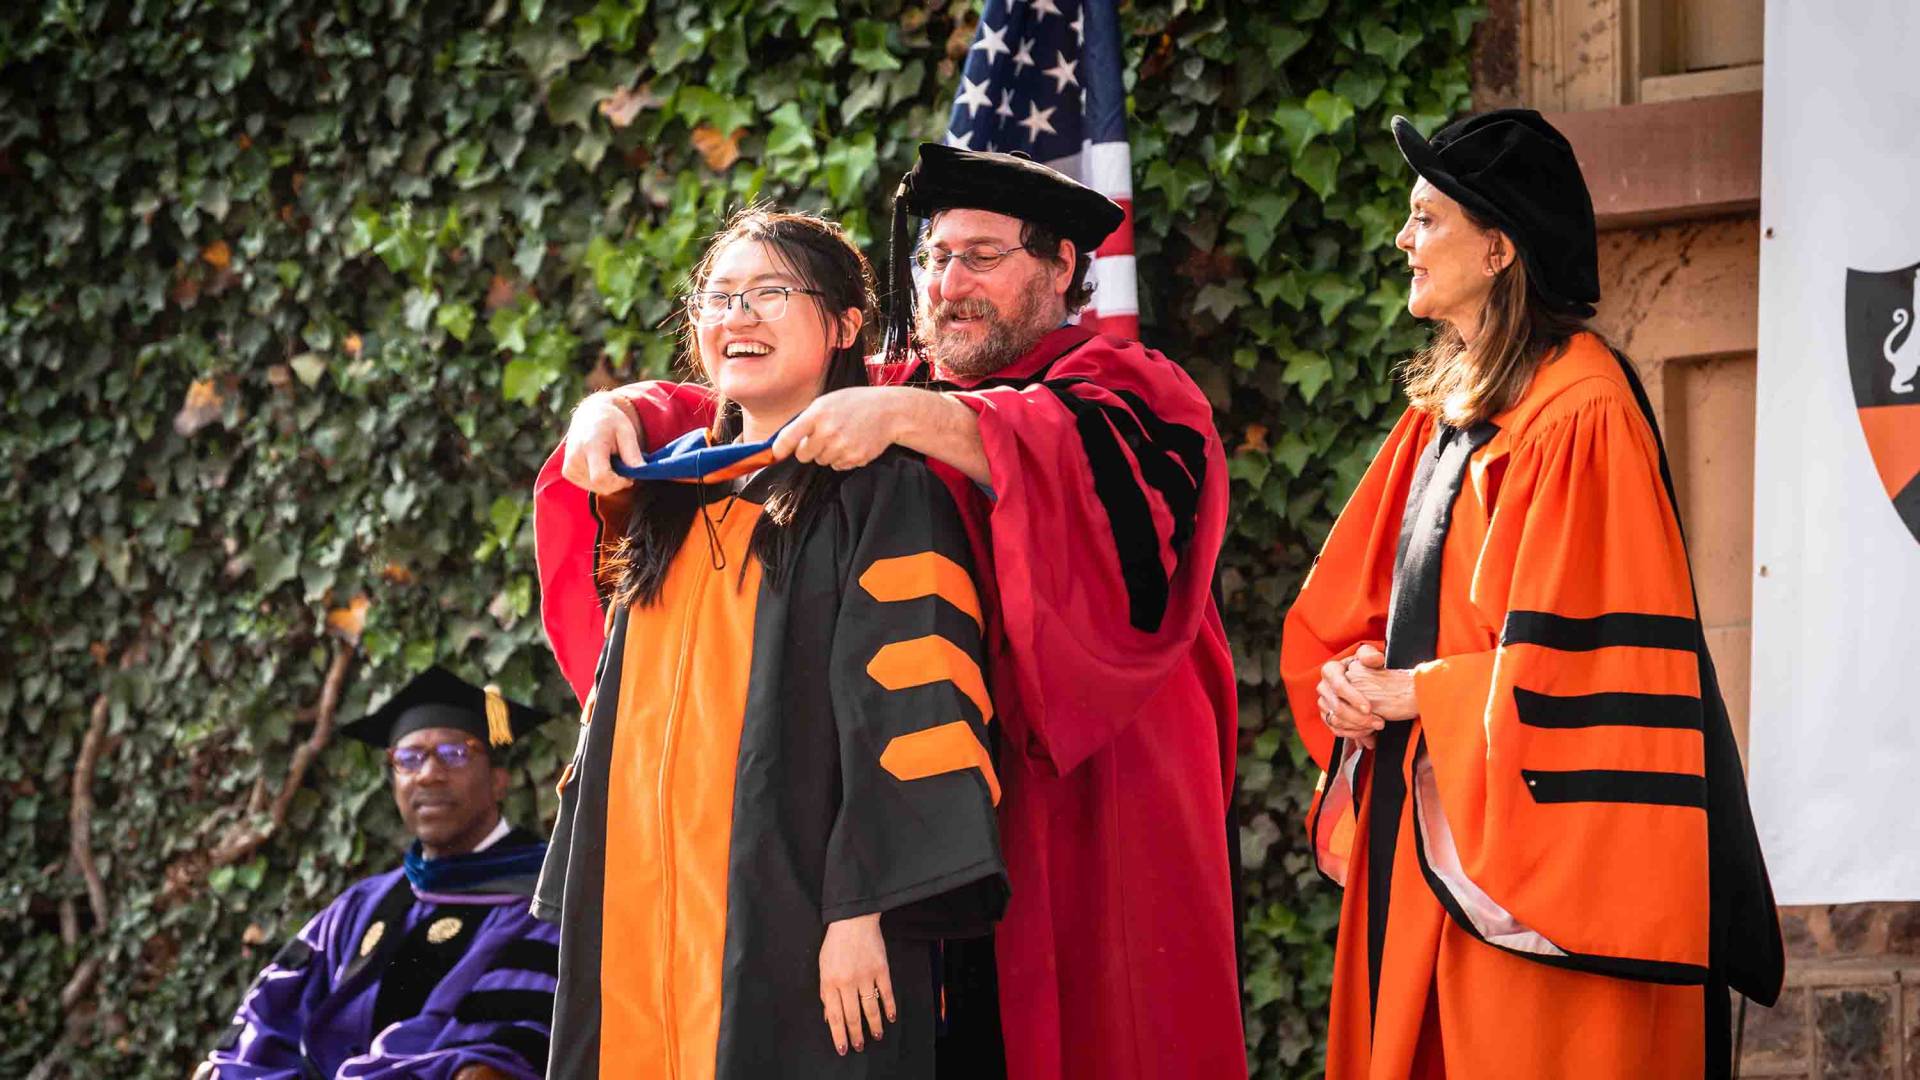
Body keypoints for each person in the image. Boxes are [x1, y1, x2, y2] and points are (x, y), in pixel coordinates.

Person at [540, 145, 1246, 1080]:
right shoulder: (894, 390)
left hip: (1086, 799)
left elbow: (1096, 491)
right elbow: (749, 396)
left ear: (1063, 267)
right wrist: (608, 409)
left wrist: (912, 421)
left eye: (980, 256)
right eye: (930, 259)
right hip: (922, 801)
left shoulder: (1133, 388)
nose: (948, 283)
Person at [1278, 109, 1784, 1078]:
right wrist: (1356, 676)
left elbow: (1590, 671)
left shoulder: (1580, 412)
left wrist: (1420, 693)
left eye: (1427, 219)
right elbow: (1364, 609)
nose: (1403, 240)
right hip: (1428, 851)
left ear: (1500, 246)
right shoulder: (1450, 413)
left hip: (1532, 892)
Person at [532, 208, 1008, 1080]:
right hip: (645, 912)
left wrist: (864, 912)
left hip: (803, 919)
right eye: (719, 296)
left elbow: (910, 716)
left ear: (844, 325)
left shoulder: (882, 493)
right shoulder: (666, 496)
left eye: (770, 293)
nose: (737, 316)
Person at [196, 667, 559, 1080]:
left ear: (498, 781)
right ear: (393, 781)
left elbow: (493, 1050)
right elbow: (266, 1019)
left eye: (455, 753)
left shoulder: (540, 901)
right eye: (409, 758)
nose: (429, 773)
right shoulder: (361, 905)